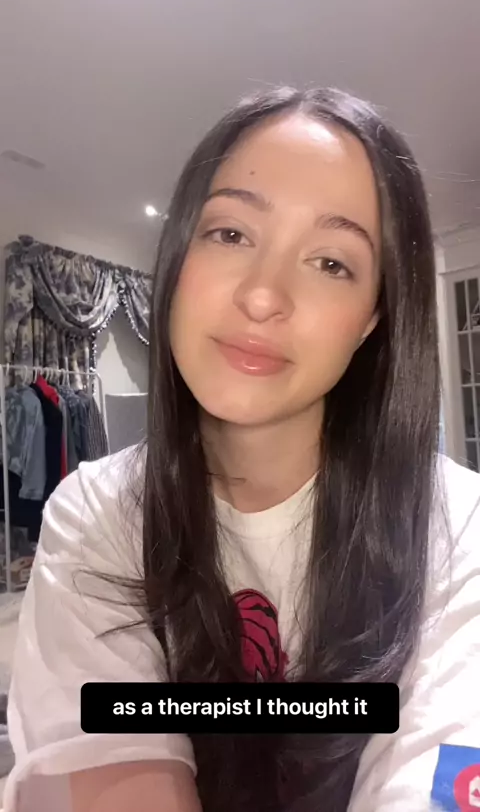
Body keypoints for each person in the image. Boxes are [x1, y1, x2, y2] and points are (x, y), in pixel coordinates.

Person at [4, 87, 480, 812]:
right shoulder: (99, 514)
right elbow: (112, 761)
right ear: (178, 257)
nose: (262, 296)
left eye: (331, 263)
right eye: (230, 233)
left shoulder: (459, 525)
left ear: (372, 318)